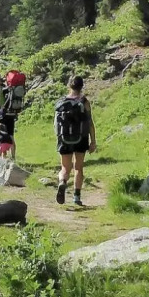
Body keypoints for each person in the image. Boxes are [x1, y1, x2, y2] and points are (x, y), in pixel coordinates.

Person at [54, 76, 96, 206]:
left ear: (69, 86)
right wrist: (93, 141)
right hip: (81, 138)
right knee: (78, 168)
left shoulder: (61, 102)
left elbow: (55, 124)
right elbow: (90, 123)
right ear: (81, 86)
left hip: (64, 138)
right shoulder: (84, 102)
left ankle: (62, 182)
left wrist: (59, 137)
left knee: (65, 168)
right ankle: (76, 197)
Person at [0, 71, 18, 161]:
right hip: (11, 115)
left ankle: (2, 159)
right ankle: (13, 158)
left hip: (2, 116)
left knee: (1, 137)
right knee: (10, 136)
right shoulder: (8, 87)